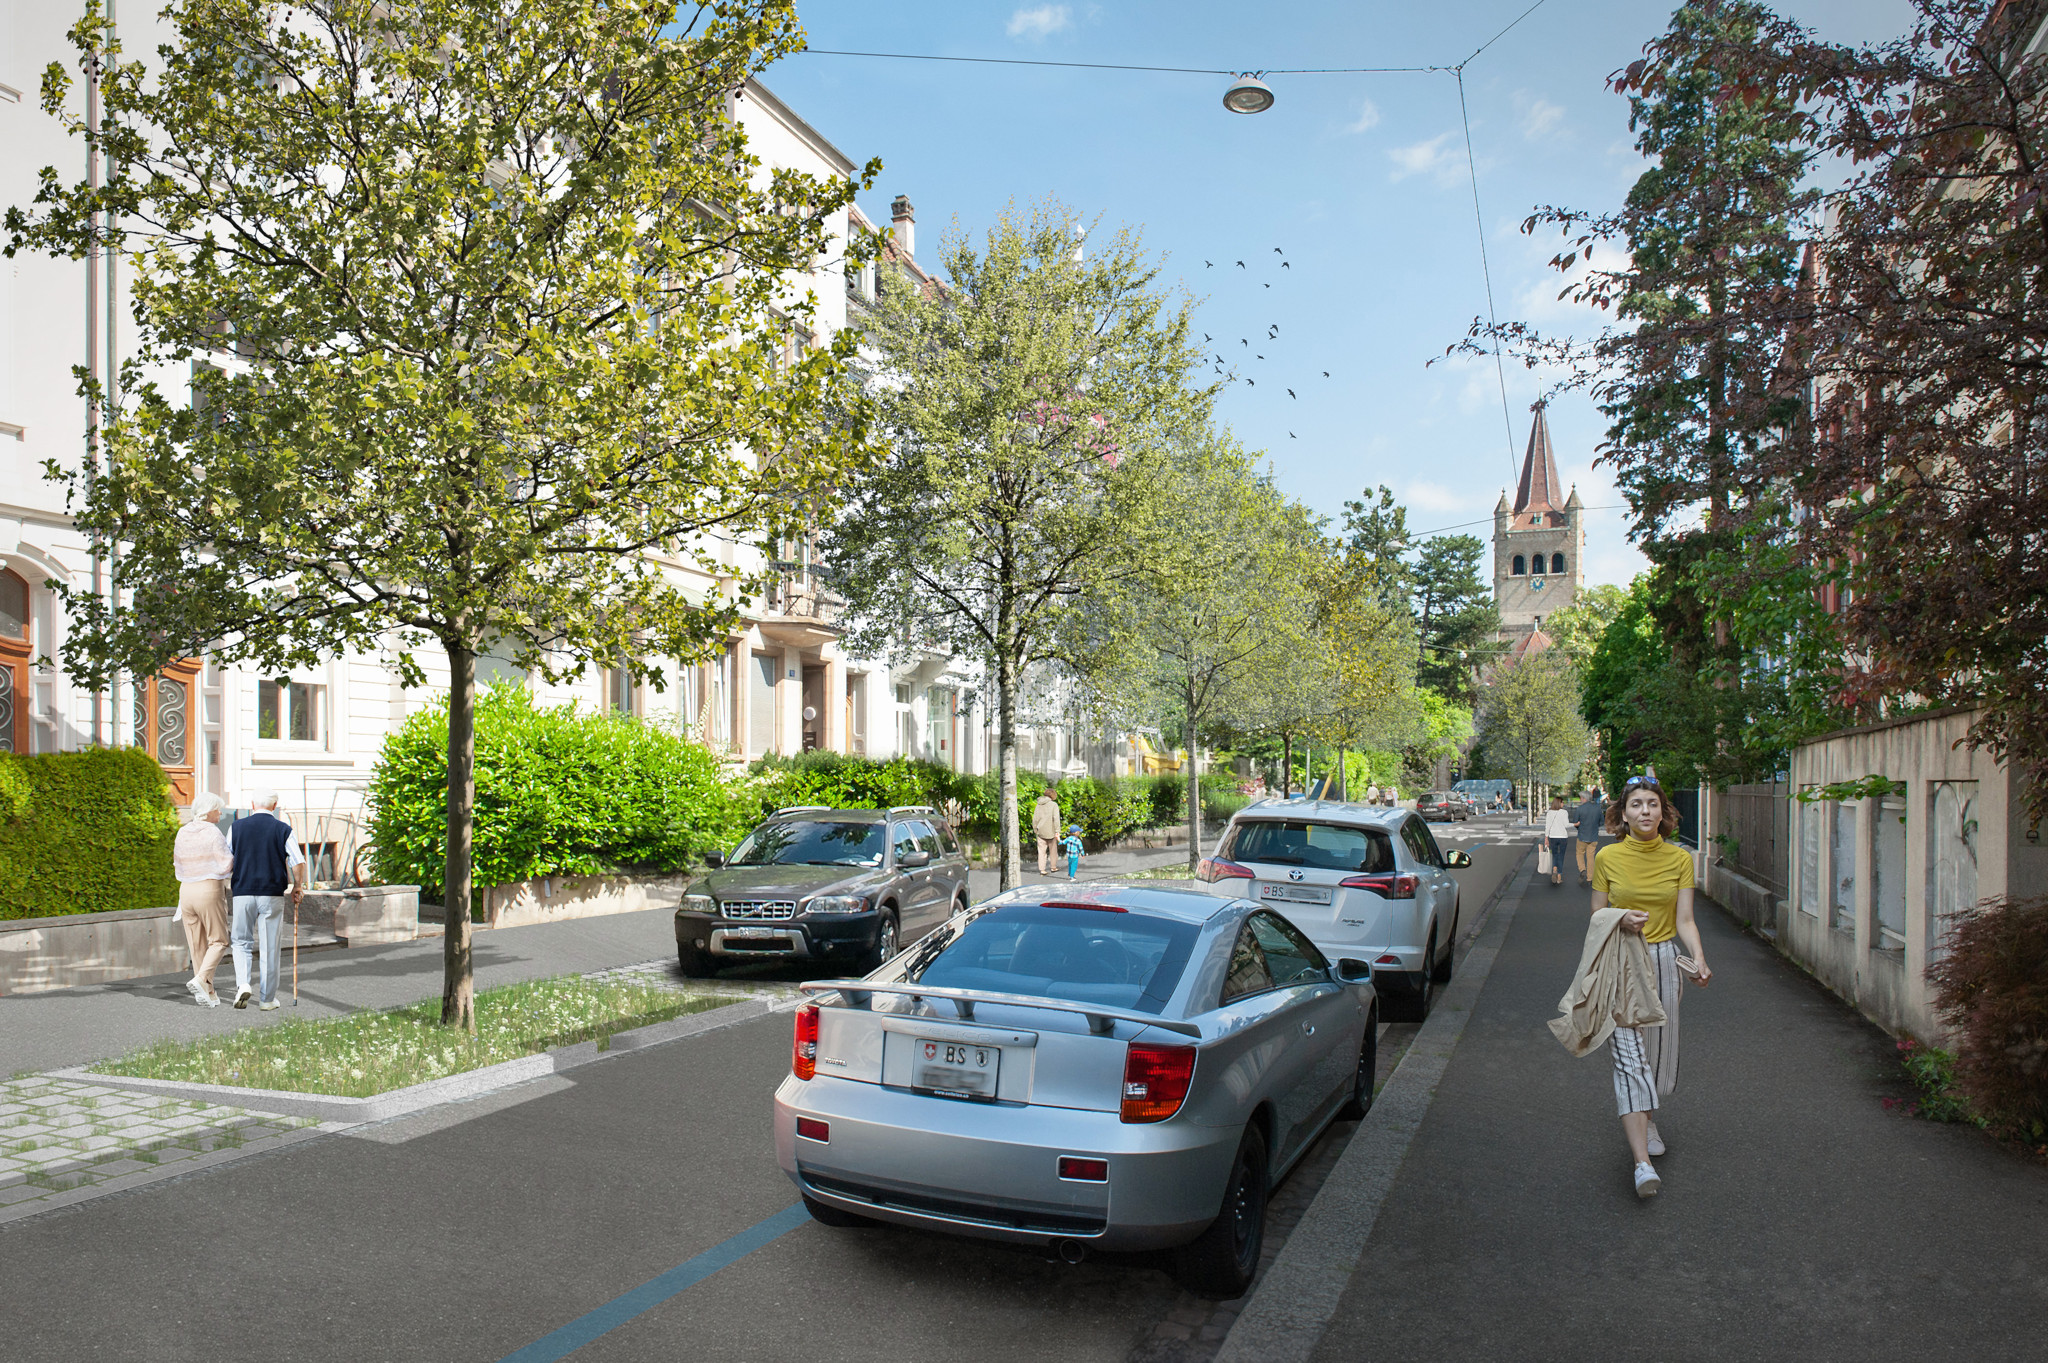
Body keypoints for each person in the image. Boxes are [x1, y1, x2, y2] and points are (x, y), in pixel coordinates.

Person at [1590, 774, 1712, 1199]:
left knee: (1657, 1054)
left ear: (1664, 813)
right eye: (1637, 804)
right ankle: (1642, 1164)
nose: (1646, 811)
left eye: (1653, 804)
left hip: (1662, 960)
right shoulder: (1607, 858)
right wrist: (1618, 918)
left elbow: (1685, 921)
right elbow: (1595, 916)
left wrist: (1697, 956)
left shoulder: (1680, 859)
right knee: (1629, 1058)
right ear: (1623, 814)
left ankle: (1648, 1114)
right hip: (1620, 961)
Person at [228, 790, 306, 1011]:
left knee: (241, 941)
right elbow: (298, 862)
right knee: (269, 945)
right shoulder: (283, 829)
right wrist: (298, 886)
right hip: (271, 893)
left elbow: (227, 858)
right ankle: (267, 999)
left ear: (252, 804)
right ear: (275, 806)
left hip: (243, 892)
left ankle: (243, 984)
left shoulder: (236, 827)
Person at [172, 793, 234, 1006]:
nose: (221, 813)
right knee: (219, 940)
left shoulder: (182, 831)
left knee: (196, 944)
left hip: (185, 891)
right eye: (218, 809)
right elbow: (226, 864)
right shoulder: (213, 832)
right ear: (208, 812)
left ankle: (208, 994)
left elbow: (177, 863)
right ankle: (199, 979)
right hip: (208, 889)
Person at [1573, 787, 1606, 886]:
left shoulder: (1580, 809)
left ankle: (1582, 869)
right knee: (1591, 856)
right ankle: (1590, 878)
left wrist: (1579, 829)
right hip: (1593, 836)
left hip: (1582, 836)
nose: (1580, 799)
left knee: (1579, 853)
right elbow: (1602, 822)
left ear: (1584, 798)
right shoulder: (1597, 808)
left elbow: (1575, 822)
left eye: (1580, 798)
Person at [1544, 794, 1573, 887]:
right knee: (1561, 856)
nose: (1563, 803)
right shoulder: (1564, 812)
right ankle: (1559, 877)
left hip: (1552, 837)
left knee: (1555, 854)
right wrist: (1575, 824)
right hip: (1563, 837)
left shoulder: (1549, 813)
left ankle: (1555, 869)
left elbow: (1547, 826)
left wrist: (1546, 837)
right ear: (1559, 803)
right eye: (1562, 802)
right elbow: (1566, 825)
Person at [1032, 789, 1062, 877]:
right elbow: (1056, 819)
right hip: (1051, 831)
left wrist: (1035, 829)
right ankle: (1053, 867)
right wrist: (1057, 831)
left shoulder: (1038, 805)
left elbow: (1035, 819)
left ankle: (1042, 869)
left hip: (1040, 831)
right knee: (1053, 850)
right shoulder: (1054, 805)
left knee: (1041, 851)